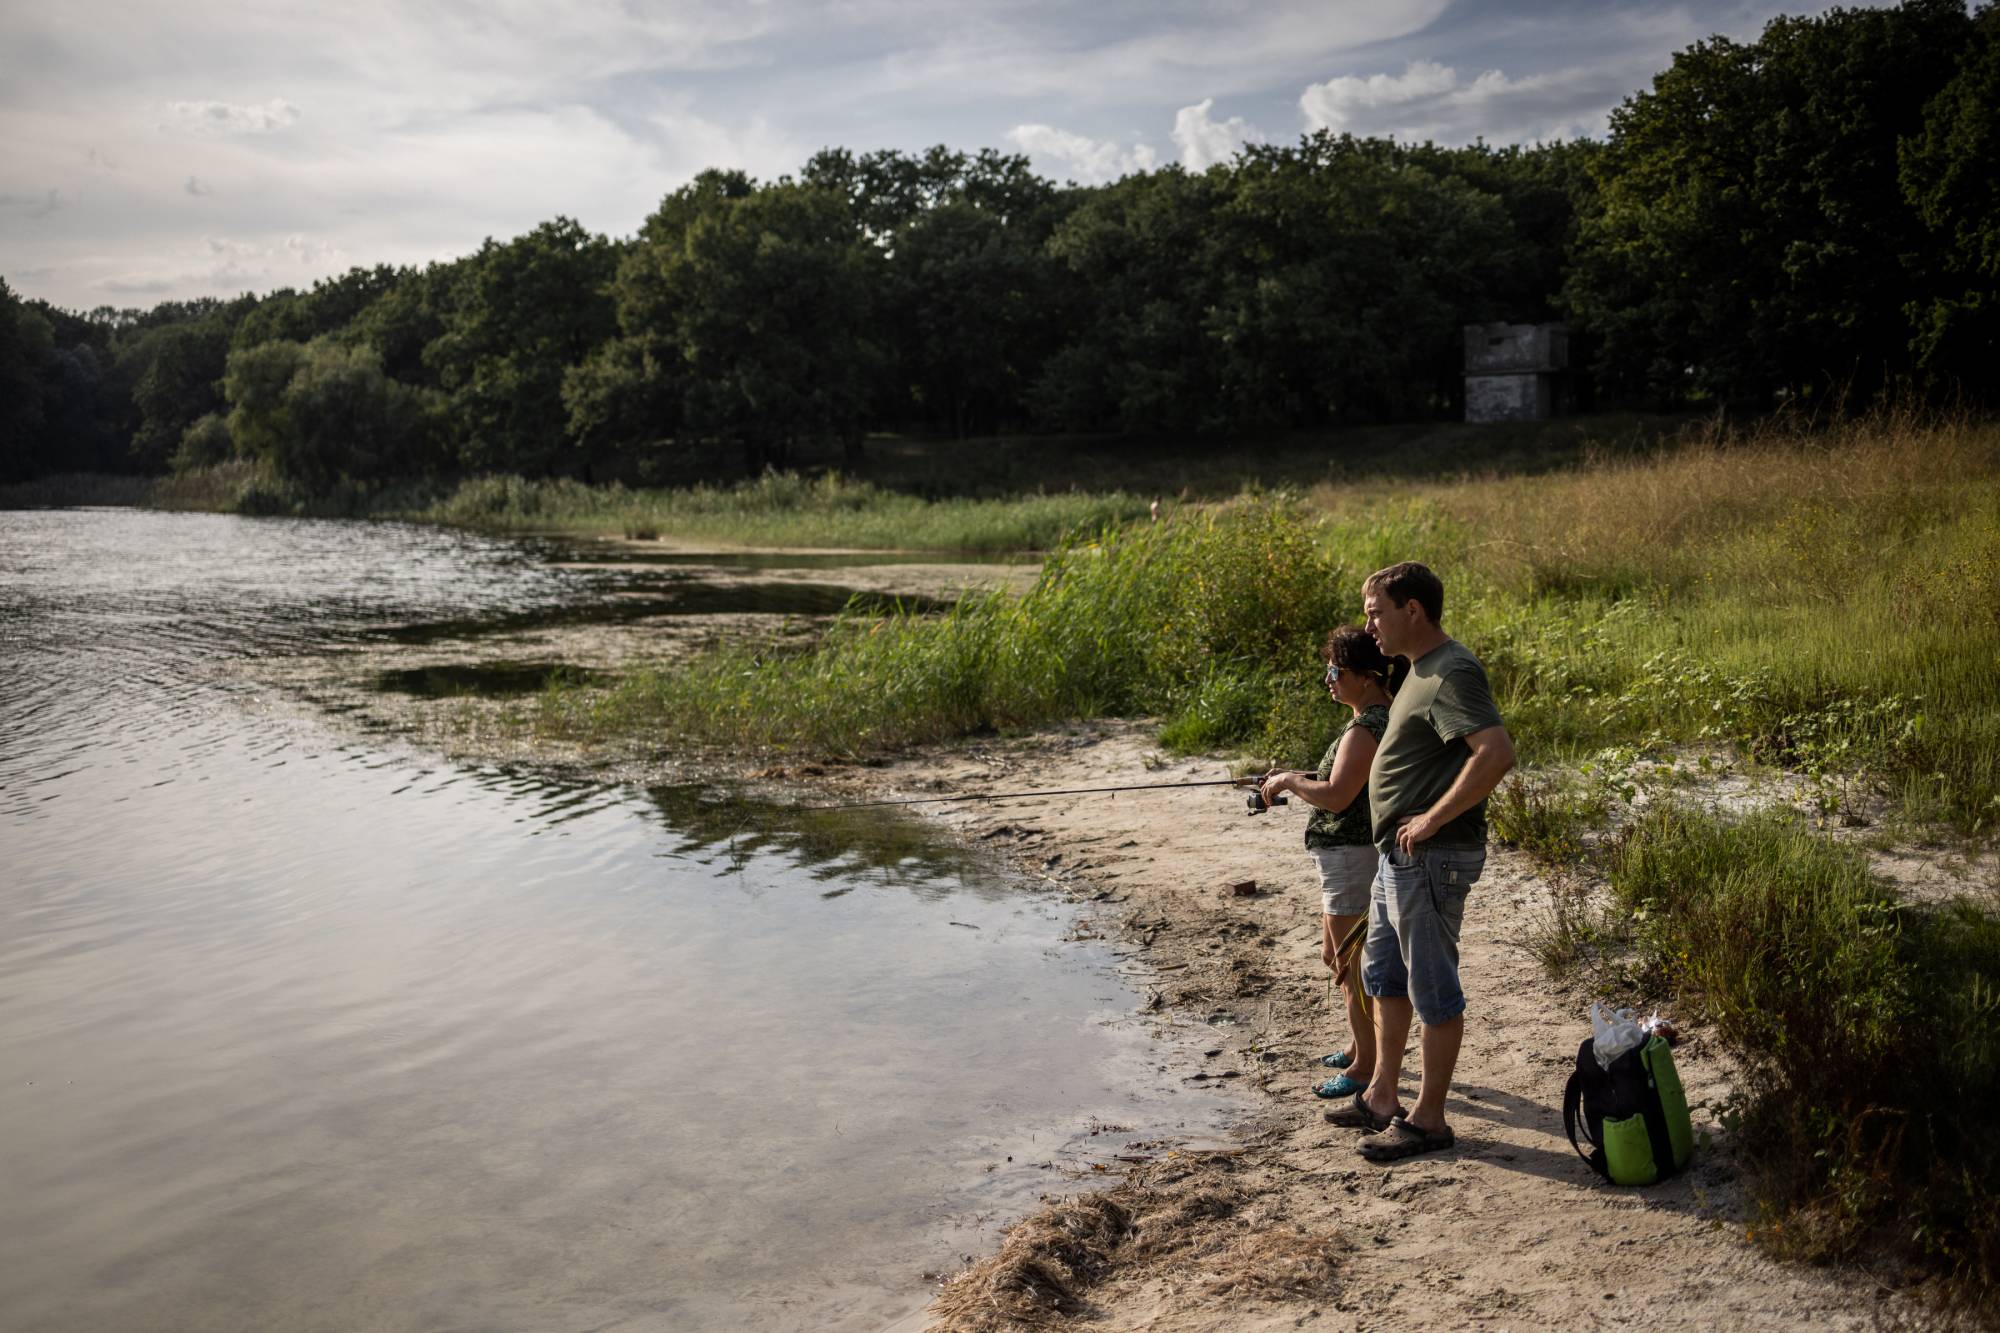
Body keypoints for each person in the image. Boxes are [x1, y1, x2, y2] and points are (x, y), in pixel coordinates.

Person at [1324, 561, 1515, 1162]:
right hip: (1396, 858)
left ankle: (1429, 1119)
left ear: (1413, 610)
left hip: (1431, 855)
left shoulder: (1453, 669)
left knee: (1432, 985)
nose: (1368, 623)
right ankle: (1382, 1096)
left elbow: (1495, 752)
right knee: (1383, 977)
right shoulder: (1413, 671)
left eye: (1376, 610)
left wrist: (1432, 818)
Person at [1259, 627, 1397, 1103]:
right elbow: (1346, 784)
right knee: (1333, 957)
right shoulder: (1372, 719)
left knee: (1351, 966)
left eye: (1336, 671)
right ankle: (1360, 1045)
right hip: (1345, 859)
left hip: (1351, 860)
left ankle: (1364, 1068)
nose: (1328, 679)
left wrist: (1293, 784)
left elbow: (1338, 798)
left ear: (1365, 675)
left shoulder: (1366, 728)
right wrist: (1294, 779)